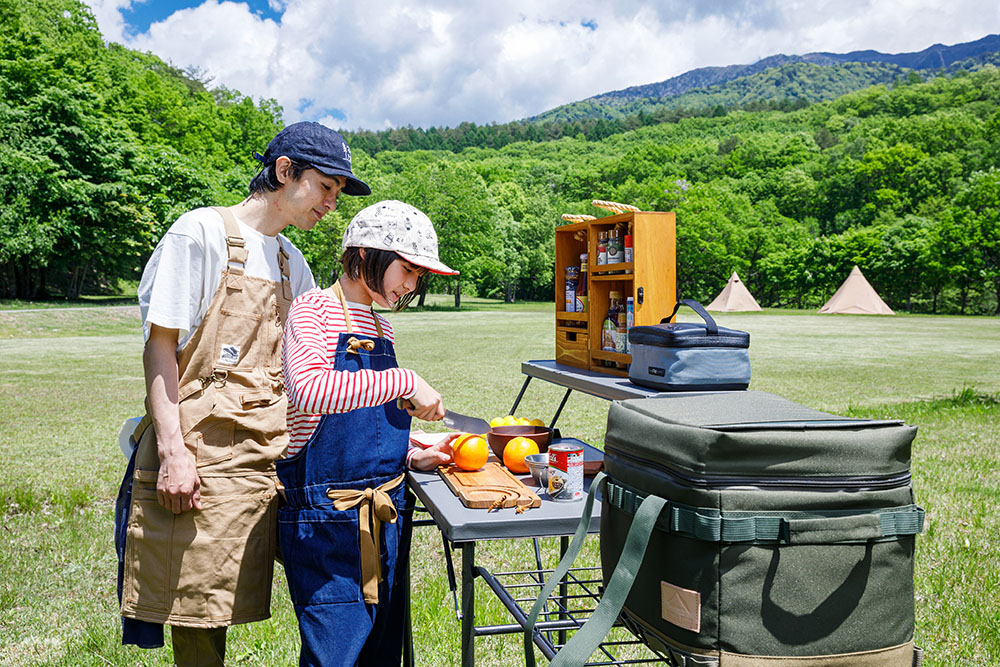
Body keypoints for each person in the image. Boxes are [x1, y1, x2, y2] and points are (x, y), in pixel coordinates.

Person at [114, 121, 371, 666]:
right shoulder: (200, 233)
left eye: (338, 194)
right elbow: (159, 350)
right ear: (285, 172)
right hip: (204, 458)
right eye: (327, 187)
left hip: (273, 457)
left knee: (332, 591)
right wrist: (173, 453)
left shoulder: (290, 263)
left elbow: (313, 371)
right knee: (198, 614)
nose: (332, 203)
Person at [277, 200, 457, 666]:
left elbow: (370, 409)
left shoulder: (382, 325)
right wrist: (407, 380)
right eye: (408, 270)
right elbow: (311, 392)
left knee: (382, 653)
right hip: (328, 520)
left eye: (420, 276)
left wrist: (410, 453)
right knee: (335, 655)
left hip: (387, 514)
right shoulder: (311, 309)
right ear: (362, 256)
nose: (413, 285)